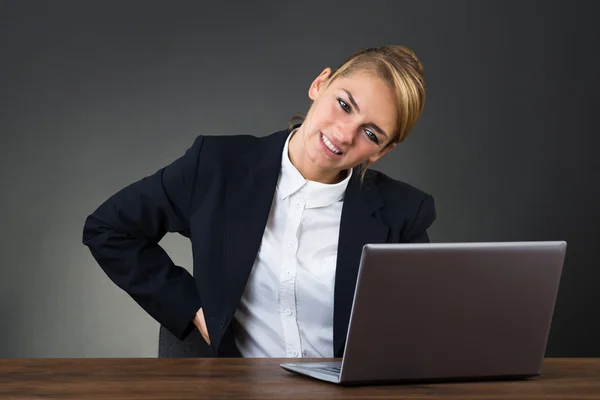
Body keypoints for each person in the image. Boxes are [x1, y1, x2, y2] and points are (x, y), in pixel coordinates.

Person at [82, 45, 436, 359]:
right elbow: (109, 228)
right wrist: (191, 309)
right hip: (237, 390)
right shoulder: (217, 166)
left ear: (382, 151)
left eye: (371, 133)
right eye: (343, 104)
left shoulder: (403, 215)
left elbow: (417, 332)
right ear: (320, 84)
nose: (344, 134)